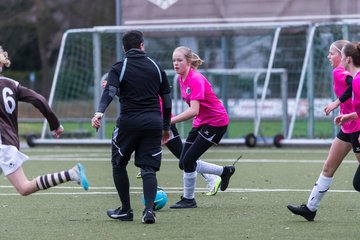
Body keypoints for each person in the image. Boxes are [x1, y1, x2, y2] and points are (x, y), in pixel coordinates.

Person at [91, 30, 172, 224]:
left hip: (128, 123)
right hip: (153, 122)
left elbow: (110, 91)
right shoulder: (156, 67)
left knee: (118, 164)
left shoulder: (120, 66)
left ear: (123, 48)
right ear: (142, 45)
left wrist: (99, 112)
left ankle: (126, 210)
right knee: (148, 168)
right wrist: (166, 127)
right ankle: (149, 211)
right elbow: (167, 101)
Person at [101, 79, 222, 196]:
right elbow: (131, 96)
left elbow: (134, 95)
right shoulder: (141, 81)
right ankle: (146, 170)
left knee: (184, 157)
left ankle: (212, 177)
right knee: (146, 148)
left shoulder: (146, 82)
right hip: (152, 124)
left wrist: (115, 89)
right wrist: (115, 90)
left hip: (164, 123)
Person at [0, 46, 89, 197]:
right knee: (24, 188)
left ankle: (71, 174)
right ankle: (71, 174)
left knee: (24, 188)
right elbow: (38, 99)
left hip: (3, 146)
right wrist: (55, 124)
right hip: (10, 142)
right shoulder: (13, 85)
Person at [287, 40, 360, 221]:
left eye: (333, 54)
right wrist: (347, 116)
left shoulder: (348, 75)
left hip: (357, 128)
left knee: (358, 183)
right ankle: (310, 209)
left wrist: (337, 103)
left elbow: (352, 85)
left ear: (347, 59)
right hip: (349, 125)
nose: (329, 56)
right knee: (328, 166)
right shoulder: (348, 74)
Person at [169, 46, 236, 209]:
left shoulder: (196, 79)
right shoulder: (180, 78)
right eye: (174, 61)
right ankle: (224, 172)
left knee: (189, 160)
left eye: (179, 60)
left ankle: (189, 199)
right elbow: (197, 112)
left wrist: (170, 121)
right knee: (184, 163)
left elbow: (194, 110)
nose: (176, 64)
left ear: (189, 61)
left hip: (216, 122)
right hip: (201, 122)